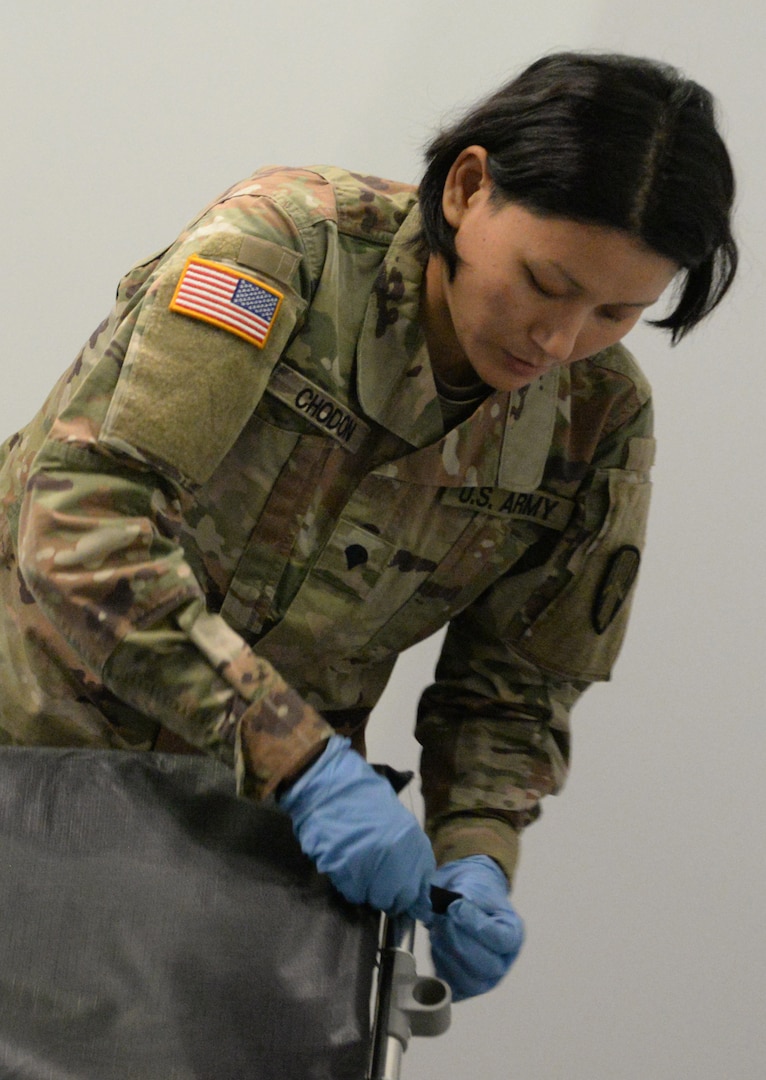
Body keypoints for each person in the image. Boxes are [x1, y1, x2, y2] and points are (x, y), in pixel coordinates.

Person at [0, 52, 736, 1003]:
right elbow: (83, 529)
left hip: (221, 850)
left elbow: (513, 690)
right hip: (23, 750)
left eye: (616, 311)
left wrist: (477, 849)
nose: (559, 340)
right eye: (546, 283)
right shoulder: (285, 254)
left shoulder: (596, 418)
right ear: (469, 189)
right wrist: (300, 763)